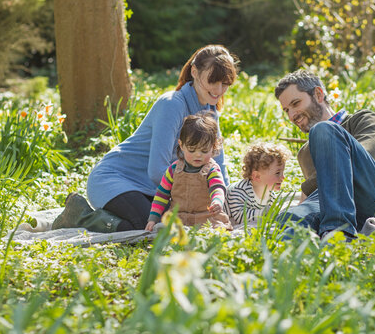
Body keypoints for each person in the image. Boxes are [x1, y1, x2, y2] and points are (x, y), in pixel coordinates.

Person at [51, 45, 238, 232]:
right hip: (114, 180)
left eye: (225, 83)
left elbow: (218, 166)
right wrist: (190, 195)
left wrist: (224, 202)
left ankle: (118, 213)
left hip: (151, 189)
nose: (219, 89)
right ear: (195, 72)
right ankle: (80, 215)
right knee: (152, 227)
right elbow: (157, 171)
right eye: (213, 81)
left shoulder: (211, 113)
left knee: (184, 222)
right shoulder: (172, 105)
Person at [274, 69, 375, 240]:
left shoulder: (363, 119)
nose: (292, 115)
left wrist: (307, 188)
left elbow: (356, 158)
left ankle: (338, 234)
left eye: (296, 103)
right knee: (289, 219)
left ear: (318, 94)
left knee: (323, 130)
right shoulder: (305, 153)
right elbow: (323, 192)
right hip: (333, 206)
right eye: (286, 110)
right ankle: (307, 258)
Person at [144, 112, 232, 231]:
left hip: (206, 218)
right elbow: (162, 195)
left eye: (204, 151)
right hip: (179, 218)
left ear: (213, 146)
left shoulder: (211, 169)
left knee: (215, 232)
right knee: (163, 230)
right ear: (181, 145)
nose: (198, 155)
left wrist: (217, 201)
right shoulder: (174, 170)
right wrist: (153, 218)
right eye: (192, 150)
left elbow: (217, 187)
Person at [225, 142, 291, 225]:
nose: (283, 177)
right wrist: (263, 213)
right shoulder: (239, 191)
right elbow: (240, 216)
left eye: (282, 172)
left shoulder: (271, 195)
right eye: (277, 173)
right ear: (257, 176)